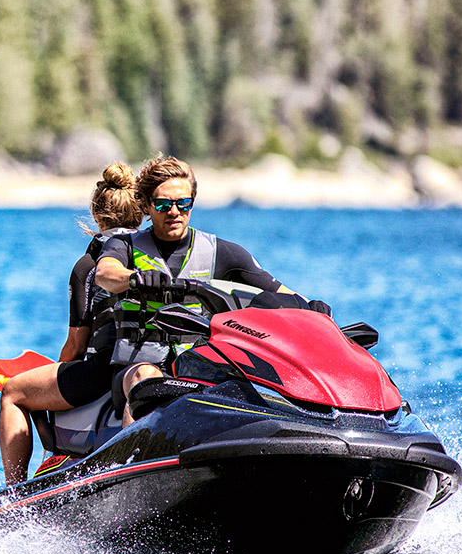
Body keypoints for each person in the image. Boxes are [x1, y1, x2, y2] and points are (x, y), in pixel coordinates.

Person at [95, 155, 329, 424]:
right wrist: (135, 278)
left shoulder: (222, 252)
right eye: (163, 204)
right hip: (137, 366)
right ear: (147, 206)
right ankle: (135, 458)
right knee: (147, 382)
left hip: (198, 366)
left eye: (183, 203)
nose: (174, 212)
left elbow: (278, 292)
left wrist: (312, 310)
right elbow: (106, 274)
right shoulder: (124, 246)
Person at [0, 163, 144, 485]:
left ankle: (15, 494)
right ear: (141, 212)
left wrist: (59, 372)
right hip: (152, 362)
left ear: (97, 214)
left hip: (106, 369)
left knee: (12, 393)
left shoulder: (89, 265)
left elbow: (76, 344)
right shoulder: (155, 255)